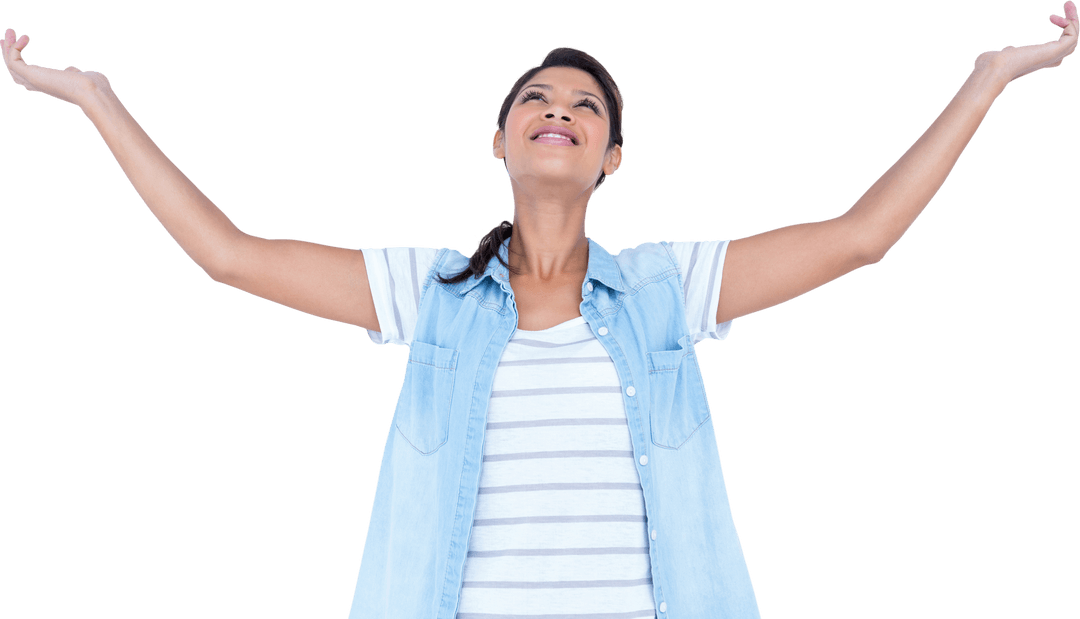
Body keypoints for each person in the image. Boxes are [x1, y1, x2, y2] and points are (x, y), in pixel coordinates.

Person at [2, 3, 1077, 616]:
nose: (556, 110)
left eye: (584, 106)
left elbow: (861, 237)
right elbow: (226, 254)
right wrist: (95, 97)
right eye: (535, 100)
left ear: (611, 159)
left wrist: (988, 80)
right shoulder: (432, 295)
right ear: (501, 144)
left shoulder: (665, 291)